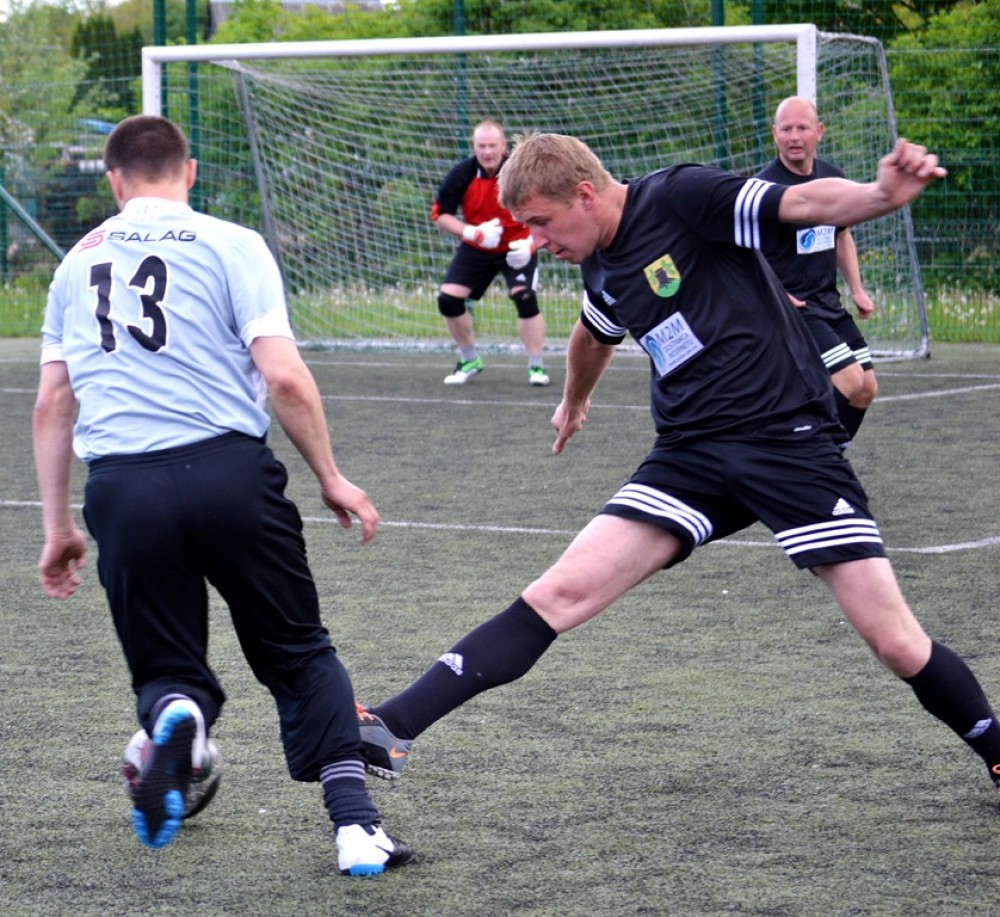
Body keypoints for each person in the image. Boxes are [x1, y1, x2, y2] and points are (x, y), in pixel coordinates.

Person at [356, 132, 1000, 807]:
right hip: (690, 455)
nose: (537, 242)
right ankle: (392, 724)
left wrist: (879, 194)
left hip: (787, 444)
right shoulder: (599, 262)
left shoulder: (681, 198)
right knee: (559, 592)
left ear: (584, 193)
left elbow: (805, 202)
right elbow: (592, 335)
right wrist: (574, 401)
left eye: (542, 222)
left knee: (894, 640)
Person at [32, 114, 412, 876]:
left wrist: (58, 525)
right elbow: (283, 376)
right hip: (228, 475)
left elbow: (52, 403)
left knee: (167, 665)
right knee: (297, 649)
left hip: (122, 488)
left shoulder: (76, 263)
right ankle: (355, 828)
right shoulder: (232, 244)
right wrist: (330, 475)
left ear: (114, 180)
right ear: (191, 172)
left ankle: (180, 715)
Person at [756, 96, 878, 441]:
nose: (794, 137)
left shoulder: (832, 179)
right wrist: (775, 293)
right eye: (786, 129)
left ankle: (826, 458)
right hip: (794, 310)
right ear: (774, 134)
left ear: (819, 132)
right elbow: (745, 253)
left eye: (802, 128)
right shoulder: (765, 189)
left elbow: (842, 234)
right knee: (849, 381)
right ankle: (808, 458)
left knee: (866, 388)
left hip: (828, 303)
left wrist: (857, 289)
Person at [431, 118, 550, 387]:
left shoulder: (521, 172)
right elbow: (440, 215)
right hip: (478, 247)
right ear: (473, 146)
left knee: (525, 297)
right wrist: (472, 232)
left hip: (517, 246)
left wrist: (532, 244)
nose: (487, 152)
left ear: (503, 146)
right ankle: (469, 359)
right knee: (448, 299)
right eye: (481, 146)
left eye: (492, 146)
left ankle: (536, 366)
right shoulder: (462, 174)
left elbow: (547, 211)